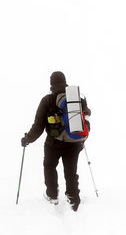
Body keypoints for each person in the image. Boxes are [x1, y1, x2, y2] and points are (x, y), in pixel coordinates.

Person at [21, 71, 91, 211]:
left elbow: (38, 125)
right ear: (65, 82)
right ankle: (73, 198)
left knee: (49, 166)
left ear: (51, 83)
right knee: (71, 171)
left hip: (53, 142)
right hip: (74, 142)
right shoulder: (77, 99)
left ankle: (52, 195)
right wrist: (82, 140)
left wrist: (28, 139)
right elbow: (87, 115)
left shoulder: (47, 100)